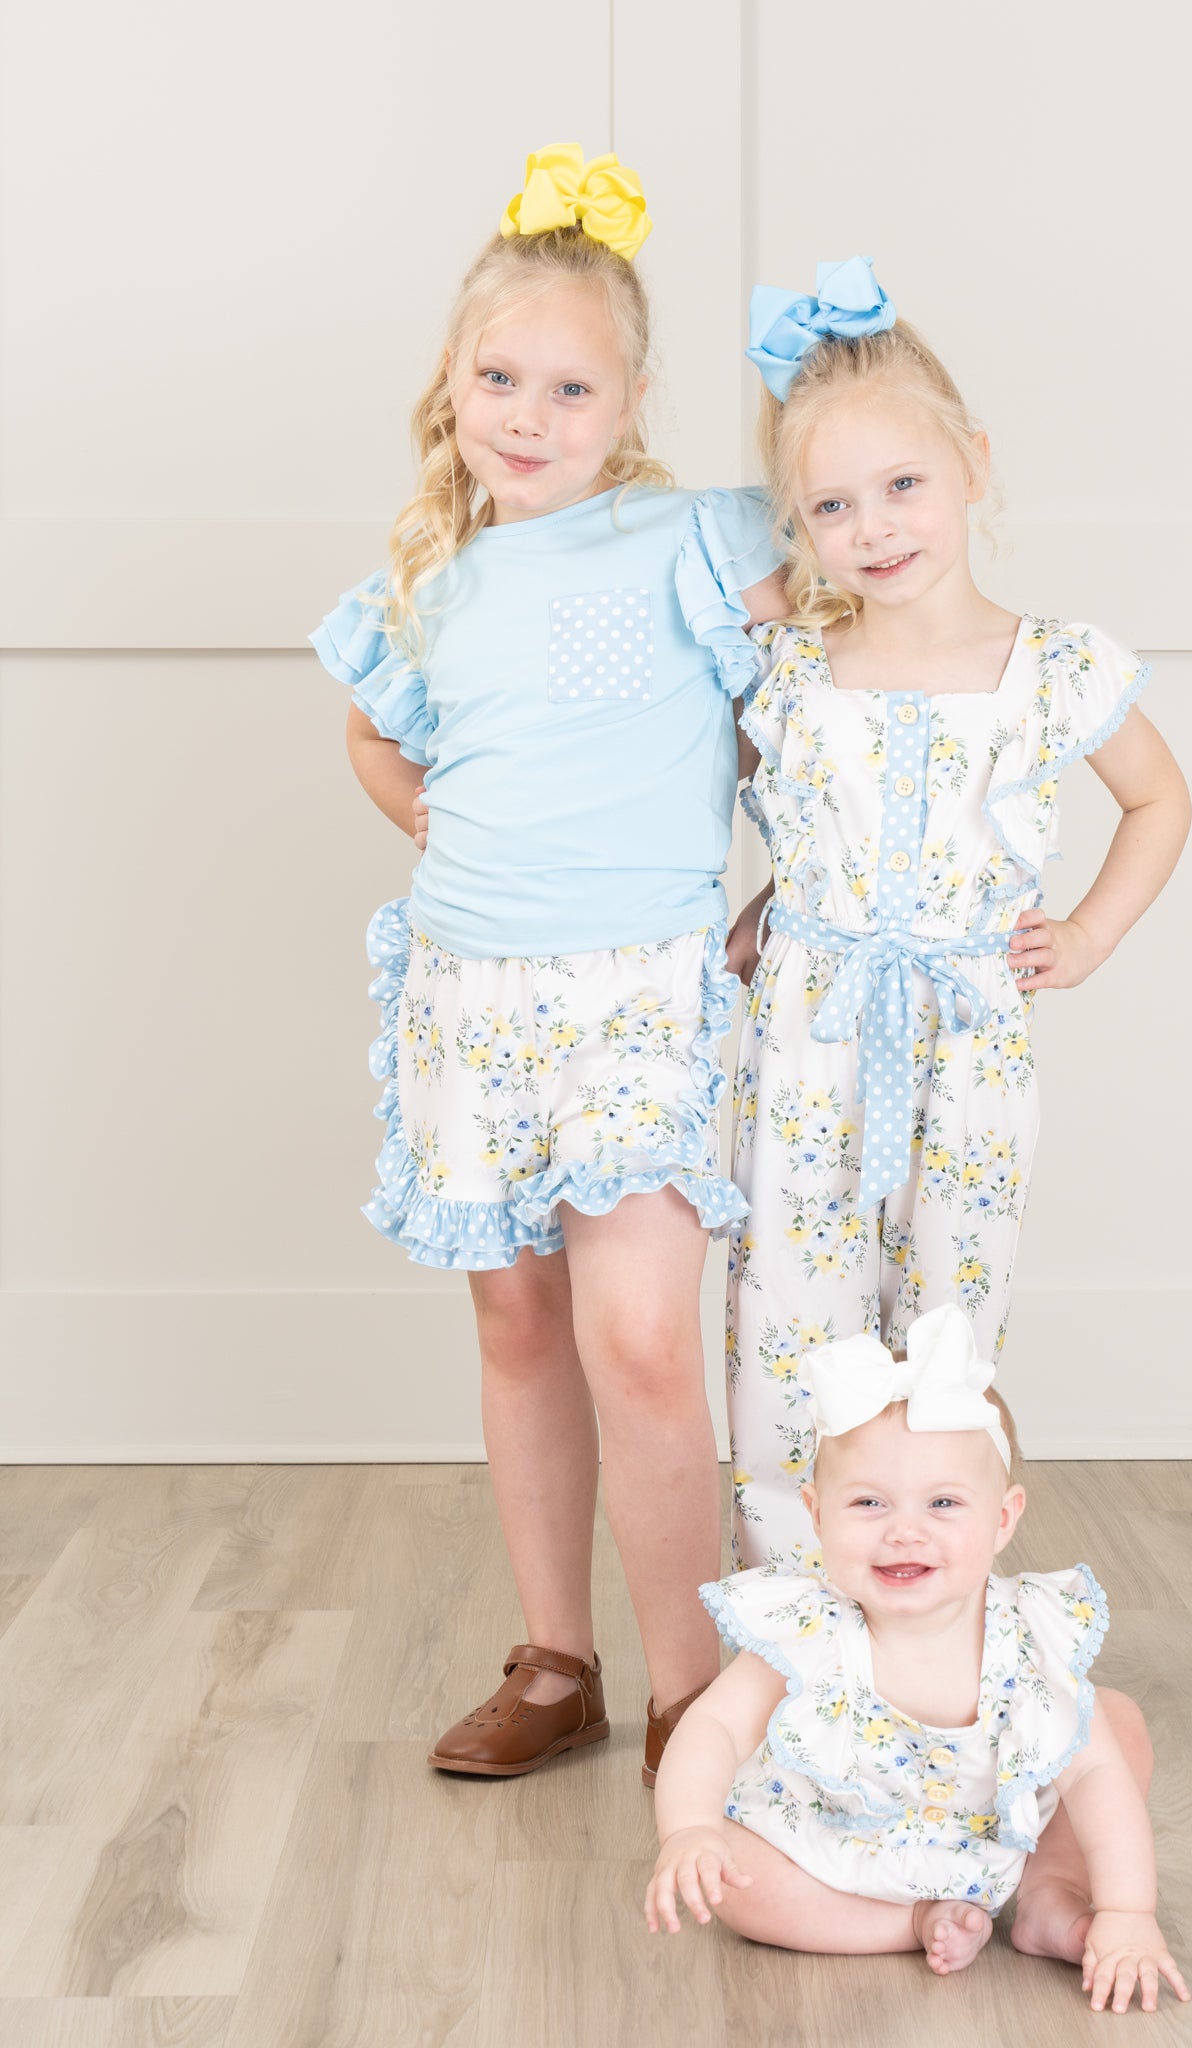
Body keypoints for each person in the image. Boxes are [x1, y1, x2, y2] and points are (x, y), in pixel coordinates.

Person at [311, 145, 783, 1783]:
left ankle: (692, 1693)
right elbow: (374, 735)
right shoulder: (429, 578)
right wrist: (433, 821)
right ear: (451, 378)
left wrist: (789, 886)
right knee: (518, 1321)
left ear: (631, 400)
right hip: (471, 990)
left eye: (571, 388)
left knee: (638, 1333)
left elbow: (807, 714)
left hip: (638, 987)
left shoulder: (693, 540)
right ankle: (557, 1658)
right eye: (500, 378)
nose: (529, 415)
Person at [723, 260, 1191, 1568]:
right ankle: (798, 1615)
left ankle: (937, 1597)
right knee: (794, 1327)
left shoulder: (1052, 667)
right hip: (811, 1042)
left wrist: (1088, 934)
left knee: (946, 1333)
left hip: (969, 1040)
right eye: (832, 505)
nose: (874, 528)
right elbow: (812, 823)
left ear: (974, 466)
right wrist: (774, 908)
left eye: (903, 485)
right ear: (798, 524)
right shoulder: (790, 670)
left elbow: (1159, 799)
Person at [645, 1306, 1190, 2014]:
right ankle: (906, 1922)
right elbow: (714, 1727)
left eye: (943, 1503)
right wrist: (688, 1830)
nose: (905, 1531)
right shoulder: (810, 1630)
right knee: (737, 1883)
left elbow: (1093, 1776)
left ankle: (1052, 1894)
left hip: (993, 1835)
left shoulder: (1026, 1635)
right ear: (817, 1514)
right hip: (840, 1849)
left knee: (1115, 1725)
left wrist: (1128, 1912)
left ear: (1002, 1519)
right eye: (870, 1503)